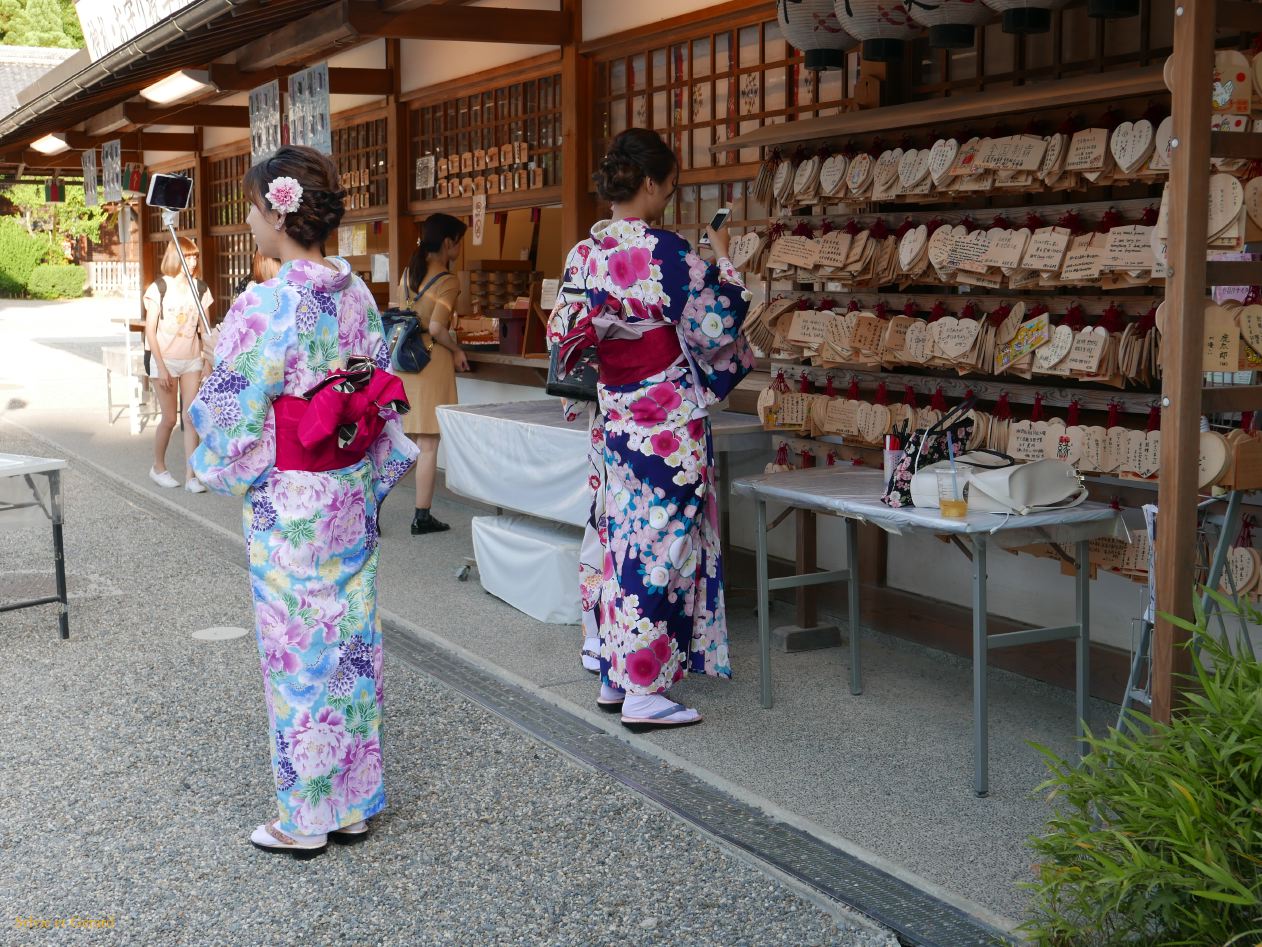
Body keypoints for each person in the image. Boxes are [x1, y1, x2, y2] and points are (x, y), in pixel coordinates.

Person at [189, 145, 419, 858]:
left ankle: (304, 816)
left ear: (277, 212)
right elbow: (372, 389)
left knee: (298, 653)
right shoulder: (355, 295)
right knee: (350, 643)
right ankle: (350, 802)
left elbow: (230, 412)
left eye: (253, 209)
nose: (250, 222)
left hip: (293, 499)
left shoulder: (266, 303)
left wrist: (235, 452)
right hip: (347, 489)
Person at [548, 128, 755, 730]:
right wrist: (724, 265)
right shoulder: (666, 252)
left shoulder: (583, 254)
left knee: (623, 544)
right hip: (665, 419)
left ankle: (618, 676)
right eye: (669, 184)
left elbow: (564, 334)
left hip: (614, 413)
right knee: (664, 547)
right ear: (649, 183)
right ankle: (645, 690)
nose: (668, 195)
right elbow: (716, 328)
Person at [397, 213, 470, 535]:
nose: (459, 249)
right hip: (431, 362)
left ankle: (372, 508)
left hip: (405, 361)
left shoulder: (407, 275)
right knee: (428, 444)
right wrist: (456, 350)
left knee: (401, 441)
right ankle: (422, 516)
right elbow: (438, 327)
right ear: (447, 242)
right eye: (459, 242)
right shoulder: (448, 280)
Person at [144, 236, 214, 493]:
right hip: (165, 360)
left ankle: (191, 475)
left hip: (192, 360)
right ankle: (158, 467)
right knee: (168, 419)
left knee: (191, 417)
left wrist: (207, 361)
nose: (194, 260)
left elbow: (205, 331)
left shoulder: (202, 289)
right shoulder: (159, 287)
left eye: (195, 256)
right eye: (188, 256)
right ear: (176, 257)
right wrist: (161, 367)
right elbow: (150, 332)